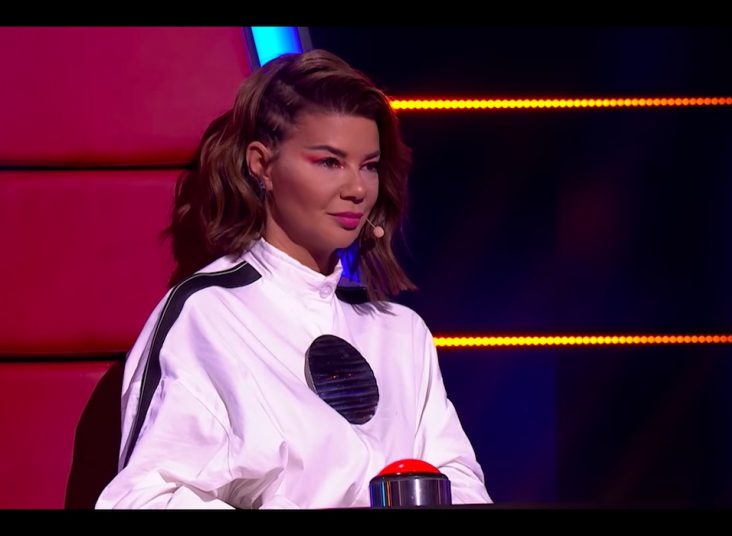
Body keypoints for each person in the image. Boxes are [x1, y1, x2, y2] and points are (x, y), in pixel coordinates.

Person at [96, 49, 492, 509]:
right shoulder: (206, 317)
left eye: (368, 165)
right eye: (329, 162)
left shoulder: (402, 332)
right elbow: (142, 499)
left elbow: (460, 482)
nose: (357, 189)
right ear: (261, 165)